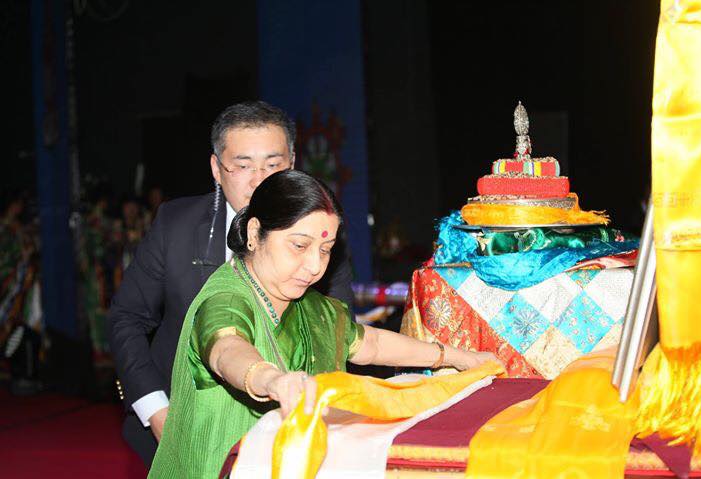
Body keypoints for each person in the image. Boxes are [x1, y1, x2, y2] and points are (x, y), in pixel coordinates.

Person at [148, 170, 501, 478]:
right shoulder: (226, 299)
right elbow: (227, 348)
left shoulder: (309, 306)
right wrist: (270, 379)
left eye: (325, 248)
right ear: (255, 233)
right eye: (299, 246)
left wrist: (456, 357)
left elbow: (371, 344)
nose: (315, 266)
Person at [107, 102, 355, 466]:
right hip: (178, 420)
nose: (259, 181)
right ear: (216, 169)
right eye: (242, 166)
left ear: (292, 164)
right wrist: (158, 412)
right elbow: (126, 317)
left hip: (285, 426)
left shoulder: (319, 234)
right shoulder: (176, 225)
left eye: (273, 165)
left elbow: (341, 332)